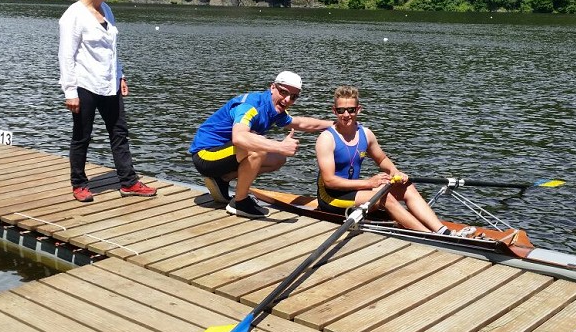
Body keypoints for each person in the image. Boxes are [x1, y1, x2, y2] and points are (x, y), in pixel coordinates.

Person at [58, 0, 156, 203]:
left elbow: (112, 50)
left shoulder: (107, 11)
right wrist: (70, 91)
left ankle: (129, 182)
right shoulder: (73, 15)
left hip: (109, 83)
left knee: (119, 132)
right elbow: (66, 55)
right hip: (85, 84)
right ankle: (79, 184)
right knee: (82, 135)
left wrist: (121, 76)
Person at [190, 71, 332, 218]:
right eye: (283, 92)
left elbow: (301, 123)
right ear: (272, 87)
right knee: (257, 149)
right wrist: (280, 146)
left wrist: (335, 125)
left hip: (224, 154)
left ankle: (223, 178)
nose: (287, 100)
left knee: (278, 159)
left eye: (294, 97)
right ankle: (239, 202)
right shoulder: (250, 107)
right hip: (205, 155)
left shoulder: (273, 109)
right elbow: (239, 137)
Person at [315, 85, 453, 234]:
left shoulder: (366, 134)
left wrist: (395, 172)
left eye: (351, 110)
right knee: (385, 197)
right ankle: (429, 236)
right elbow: (329, 181)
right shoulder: (326, 139)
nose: (346, 115)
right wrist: (369, 183)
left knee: (407, 187)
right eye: (341, 110)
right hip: (331, 197)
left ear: (358, 109)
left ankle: (443, 231)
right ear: (334, 111)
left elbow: (381, 159)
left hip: (354, 190)